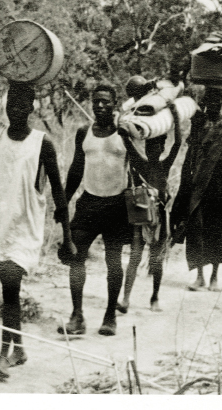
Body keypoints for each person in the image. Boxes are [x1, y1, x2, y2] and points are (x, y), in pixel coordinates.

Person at [0, 35, 75, 381]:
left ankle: (3, 354)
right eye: (10, 103)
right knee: (8, 287)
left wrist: (67, 239)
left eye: (21, 105)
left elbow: (58, 192)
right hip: (0, 224)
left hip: (26, 228)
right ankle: (20, 348)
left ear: (31, 109)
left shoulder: (43, 144)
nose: (14, 110)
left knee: (10, 284)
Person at [59, 85, 131, 336]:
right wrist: (64, 201)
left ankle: (110, 315)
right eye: (96, 102)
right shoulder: (83, 133)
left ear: (115, 104)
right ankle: (76, 315)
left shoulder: (126, 132)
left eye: (106, 102)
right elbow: (77, 168)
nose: (100, 106)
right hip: (89, 201)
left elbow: (142, 164)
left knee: (113, 260)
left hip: (117, 204)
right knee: (76, 257)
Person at [118, 76, 188, 313]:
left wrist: (176, 119)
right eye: (151, 144)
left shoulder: (164, 164)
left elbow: (178, 143)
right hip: (141, 210)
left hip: (160, 213)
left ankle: (155, 297)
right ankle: (125, 298)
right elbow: (127, 142)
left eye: (158, 144)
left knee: (157, 259)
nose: (155, 147)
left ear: (162, 145)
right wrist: (124, 129)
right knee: (135, 254)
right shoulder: (141, 161)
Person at [170, 86, 222, 292]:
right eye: (210, 100)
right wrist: (185, 181)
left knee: (217, 228)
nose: (214, 104)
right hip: (198, 183)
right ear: (205, 102)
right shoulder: (199, 123)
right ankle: (200, 276)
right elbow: (191, 153)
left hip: (221, 184)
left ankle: (214, 277)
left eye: (218, 100)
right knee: (197, 227)